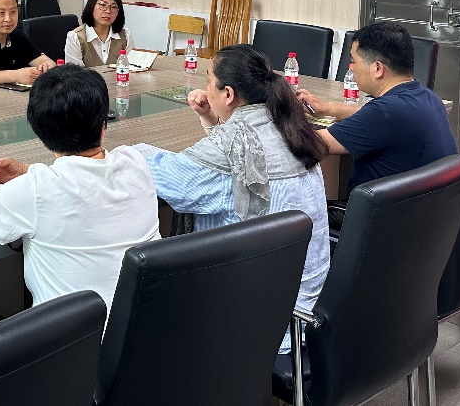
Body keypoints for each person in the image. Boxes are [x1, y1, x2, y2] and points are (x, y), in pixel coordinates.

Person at [139, 44, 330, 351]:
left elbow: (170, 179)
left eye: (208, 81)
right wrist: (212, 120)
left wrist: (125, 152)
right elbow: (238, 165)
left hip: (255, 322)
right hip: (309, 306)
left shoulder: (235, 141)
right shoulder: (291, 126)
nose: (205, 89)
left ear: (228, 94)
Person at [0, 64, 159, 313]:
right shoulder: (135, 162)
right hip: (148, 326)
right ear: (104, 124)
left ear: (40, 132)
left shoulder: (37, 190)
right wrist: (27, 171)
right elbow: (86, 180)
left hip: (73, 336)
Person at [297, 21, 458, 192]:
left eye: (353, 62)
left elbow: (310, 143)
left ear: (378, 68)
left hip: (379, 208)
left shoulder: (384, 113)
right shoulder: (428, 97)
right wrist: (328, 108)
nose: (351, 68)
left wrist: (283, 110)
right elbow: (372, 115)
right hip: (427, 206)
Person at [64, 0, 134, 67]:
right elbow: (74, 73)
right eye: (103, 5)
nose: (108, 11)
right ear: (92, 5)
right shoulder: (75, 37)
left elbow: (132, 68)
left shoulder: (125, 35)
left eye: (114, 7)